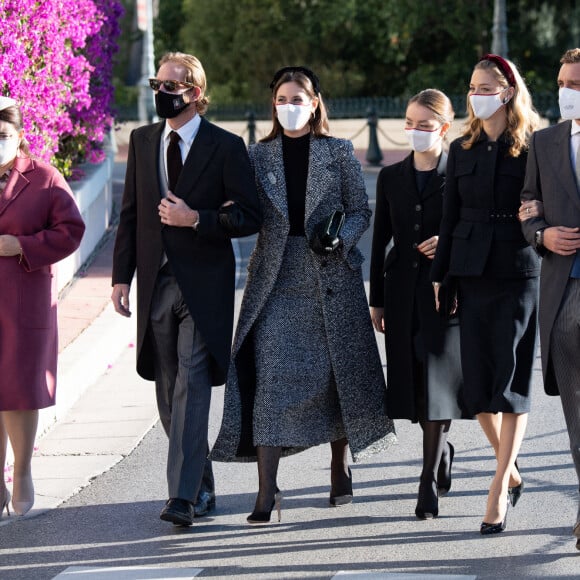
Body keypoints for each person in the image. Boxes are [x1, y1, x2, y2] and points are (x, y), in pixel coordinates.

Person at [210, 66, 396, 524]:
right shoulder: (257, 156)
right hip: (275, 277)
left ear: (315, 103)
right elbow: (243, 209)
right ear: (273, 105)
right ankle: (266, 491)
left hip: (330, 277)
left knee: (336, 377)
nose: (288, 106)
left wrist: (341, 238)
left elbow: (360, 210)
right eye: (281, 99)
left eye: (297, 99)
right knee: (270, 376)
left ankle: (339, 465)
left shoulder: (338, 151)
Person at [111, 52, 261, 527]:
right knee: (168, 390)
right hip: (156, 284)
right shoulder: (142, 140)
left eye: (172, 85)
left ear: (195, 93)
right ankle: (200, 483)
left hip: (203, 289)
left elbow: (248, 216)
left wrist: (196, 218)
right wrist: (121, 277)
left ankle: (181, 497)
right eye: (158, 83)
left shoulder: (226, 146)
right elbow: (131, 214)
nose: (162, 92)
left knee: (192, 387)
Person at [430, 54, 541, 535]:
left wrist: (538, 217)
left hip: (518, 269)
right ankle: (511, 467)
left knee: (509, 382)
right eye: (472, 86)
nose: (476, 94)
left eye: (486, 86)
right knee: (475, 388)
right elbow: (448, 217)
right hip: (469, 271)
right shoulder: (462, 148)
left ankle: (497, 489)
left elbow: (548, 205)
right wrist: (441, 274)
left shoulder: (535, 145)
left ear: (508, 91)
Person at [370, 89, 468, 520]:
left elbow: (473, 228)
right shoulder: (391, 177)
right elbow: (378, 241)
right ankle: (442, 449)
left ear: (444, 128)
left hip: (445, 290)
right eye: (409, 122)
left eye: (425, 125)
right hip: (400, 289)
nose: (415, 131)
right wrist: (376, 300)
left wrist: (448, 245)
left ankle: (426, 480)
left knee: (436, 383)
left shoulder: (461, 172)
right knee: (410, 383)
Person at [0, 96, 85, 518]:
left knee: (19, 390)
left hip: (23, 300)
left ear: (19, 137)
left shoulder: (45, 178)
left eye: (2, 135)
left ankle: (25, 471)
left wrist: (24, 245)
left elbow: (72, 230)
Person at [520, 48, 580, 552]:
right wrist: (543, 236)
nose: (565, 90)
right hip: (563, 296)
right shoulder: (543, 142)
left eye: (576, 83)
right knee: (577, 415)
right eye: (563, 81)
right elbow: (526, 209)